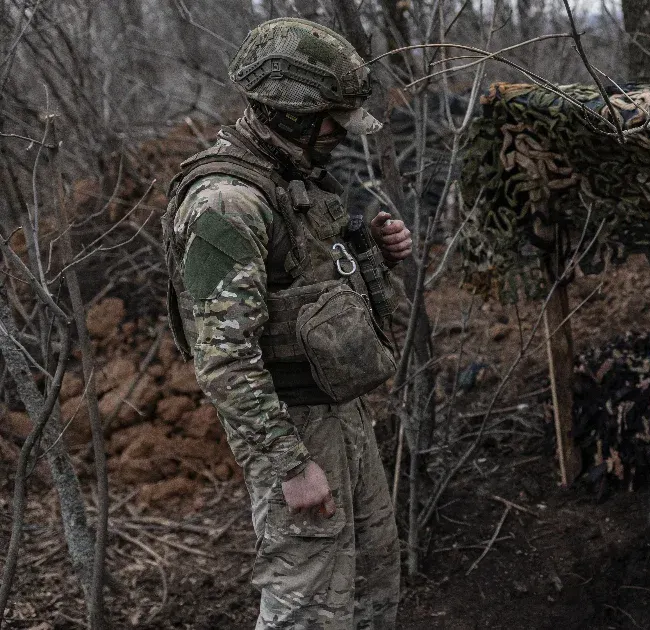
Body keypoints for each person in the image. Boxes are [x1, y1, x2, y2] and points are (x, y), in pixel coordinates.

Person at [161, 18, 413, 629]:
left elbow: (304, 291)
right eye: (332, 118)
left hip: (338, 415)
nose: (340, 133)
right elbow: (222, 356)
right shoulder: (226, 202)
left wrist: (374, 253)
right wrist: (289, 465)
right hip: (295, 426)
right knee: (308, 606)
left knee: (372, 586)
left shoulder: (290, 175)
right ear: (291, 110)